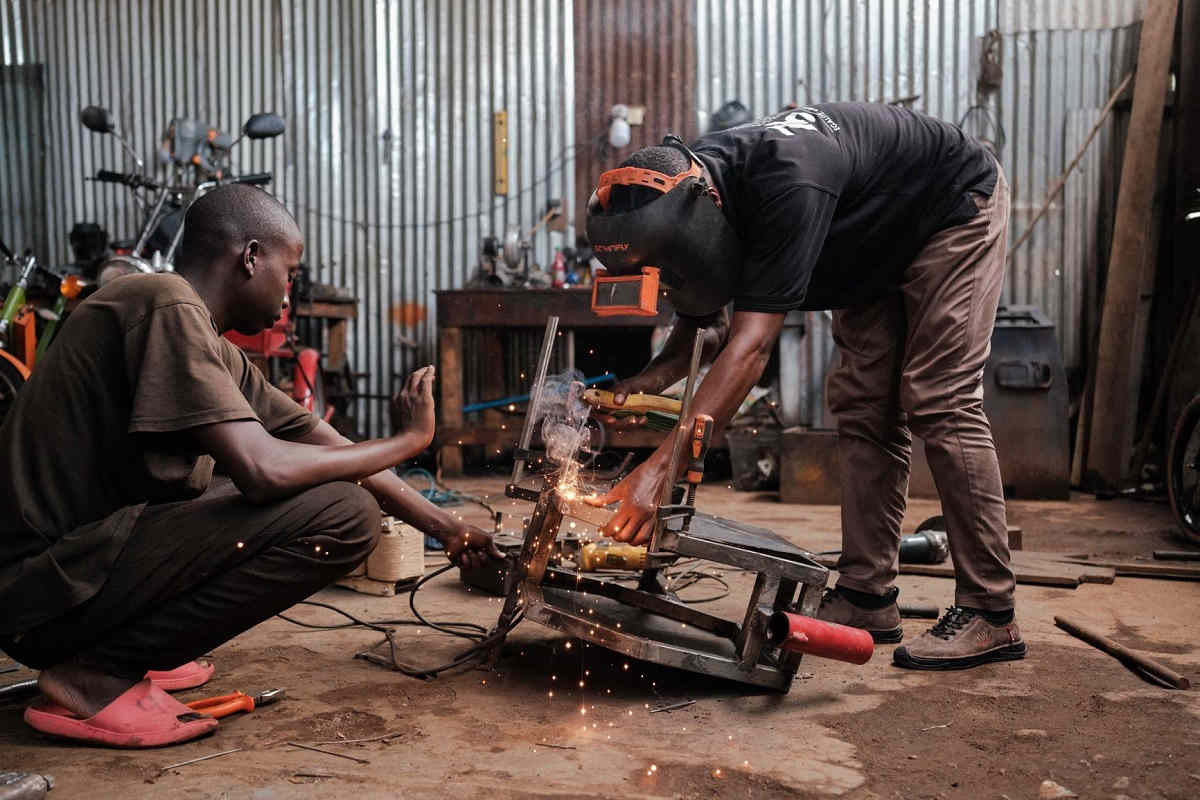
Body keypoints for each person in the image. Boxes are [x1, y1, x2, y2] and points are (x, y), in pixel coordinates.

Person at [0, 184, 500, 747]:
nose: (289, 294)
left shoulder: (211, 346)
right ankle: (93, 673)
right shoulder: (165, 303)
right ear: (250, 256)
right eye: (289, 272)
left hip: (69, 576)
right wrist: (411, 441)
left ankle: (126, 646)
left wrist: (448, 530)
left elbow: (323, 441)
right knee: (343, 515)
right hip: (40, 594)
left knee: (275, 479)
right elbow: (265, 470)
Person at [584, 103, 1024, 671]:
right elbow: (704, 318)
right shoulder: (696, 190)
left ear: (706, 209)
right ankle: (867, 596)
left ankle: (991, 610)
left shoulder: (785, 181)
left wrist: (657, 470)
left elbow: (749, 350)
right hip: (871, 244)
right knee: (864, 408)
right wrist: (649, 381)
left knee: (939, 397)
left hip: (948, 206)